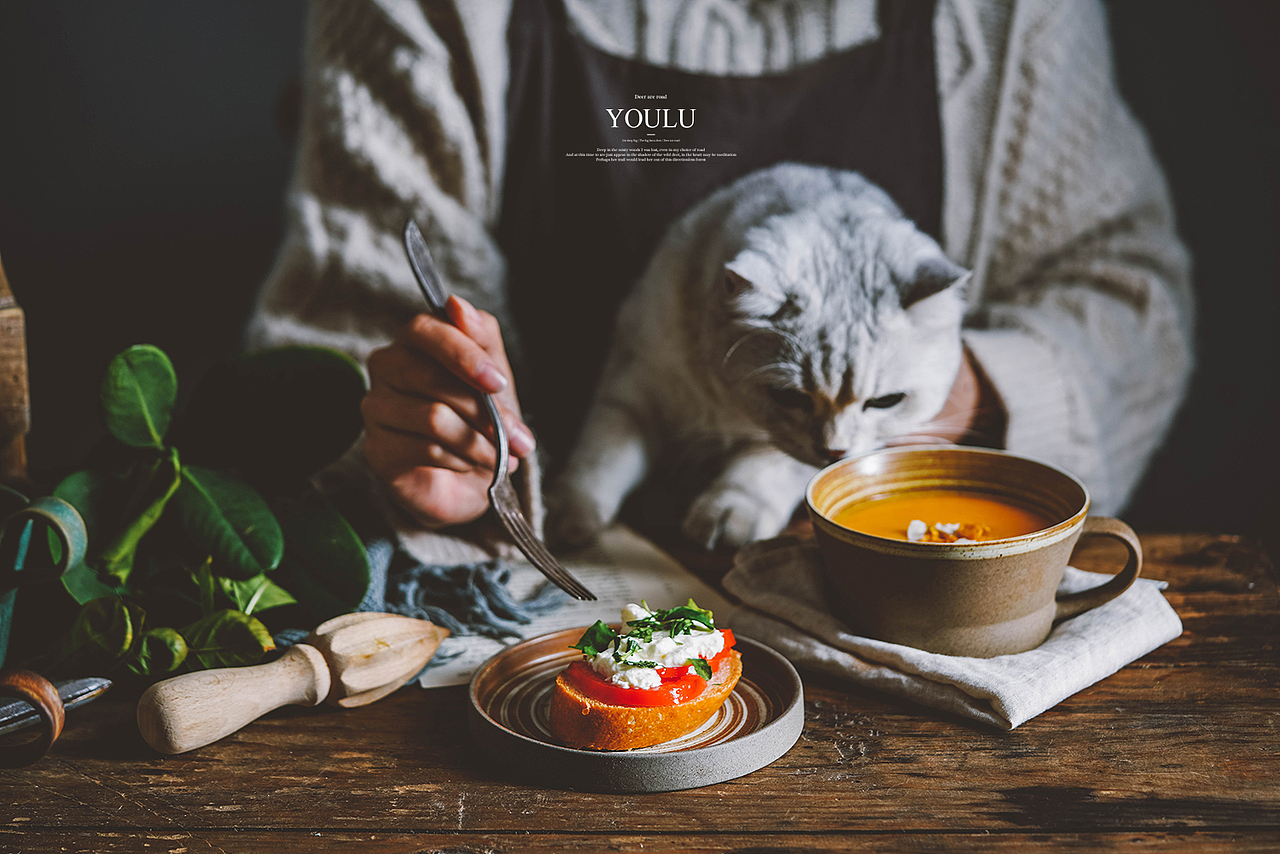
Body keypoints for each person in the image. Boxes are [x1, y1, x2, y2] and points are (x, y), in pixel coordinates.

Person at [247, 0, 1192, 562]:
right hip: (543, 605)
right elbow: (337, 347)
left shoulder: (1004, 19)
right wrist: (420, 452)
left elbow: (1133, 301)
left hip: (893, 600)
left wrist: (930, 394)